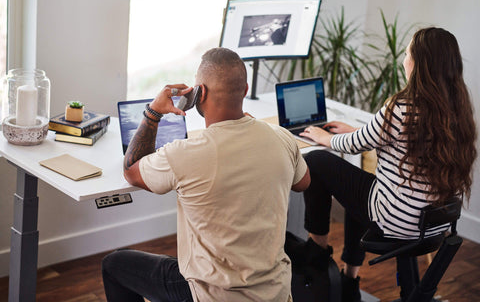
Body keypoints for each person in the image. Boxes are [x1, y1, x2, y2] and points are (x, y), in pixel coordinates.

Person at [102, 47, 311, 302]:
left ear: (199, 93)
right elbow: (303, 182)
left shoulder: (185, 153)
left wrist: (154, 112)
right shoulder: (281, 137)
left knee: (115, 265)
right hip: (274, 293)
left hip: (211, 295)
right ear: (245, 91)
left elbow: (131, 170)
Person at [296, 27, 477, 302]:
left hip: (397, 221)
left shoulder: (402, 106)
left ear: (419, 64)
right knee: (362, 185)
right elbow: (390, 137)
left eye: (407, 54)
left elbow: (355, 144)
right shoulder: (457, 108)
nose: (404, 60)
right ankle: (349, 280)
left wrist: (323, 136)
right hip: (435, 224)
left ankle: (317, 251)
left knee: (317, 160)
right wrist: (358, 129)